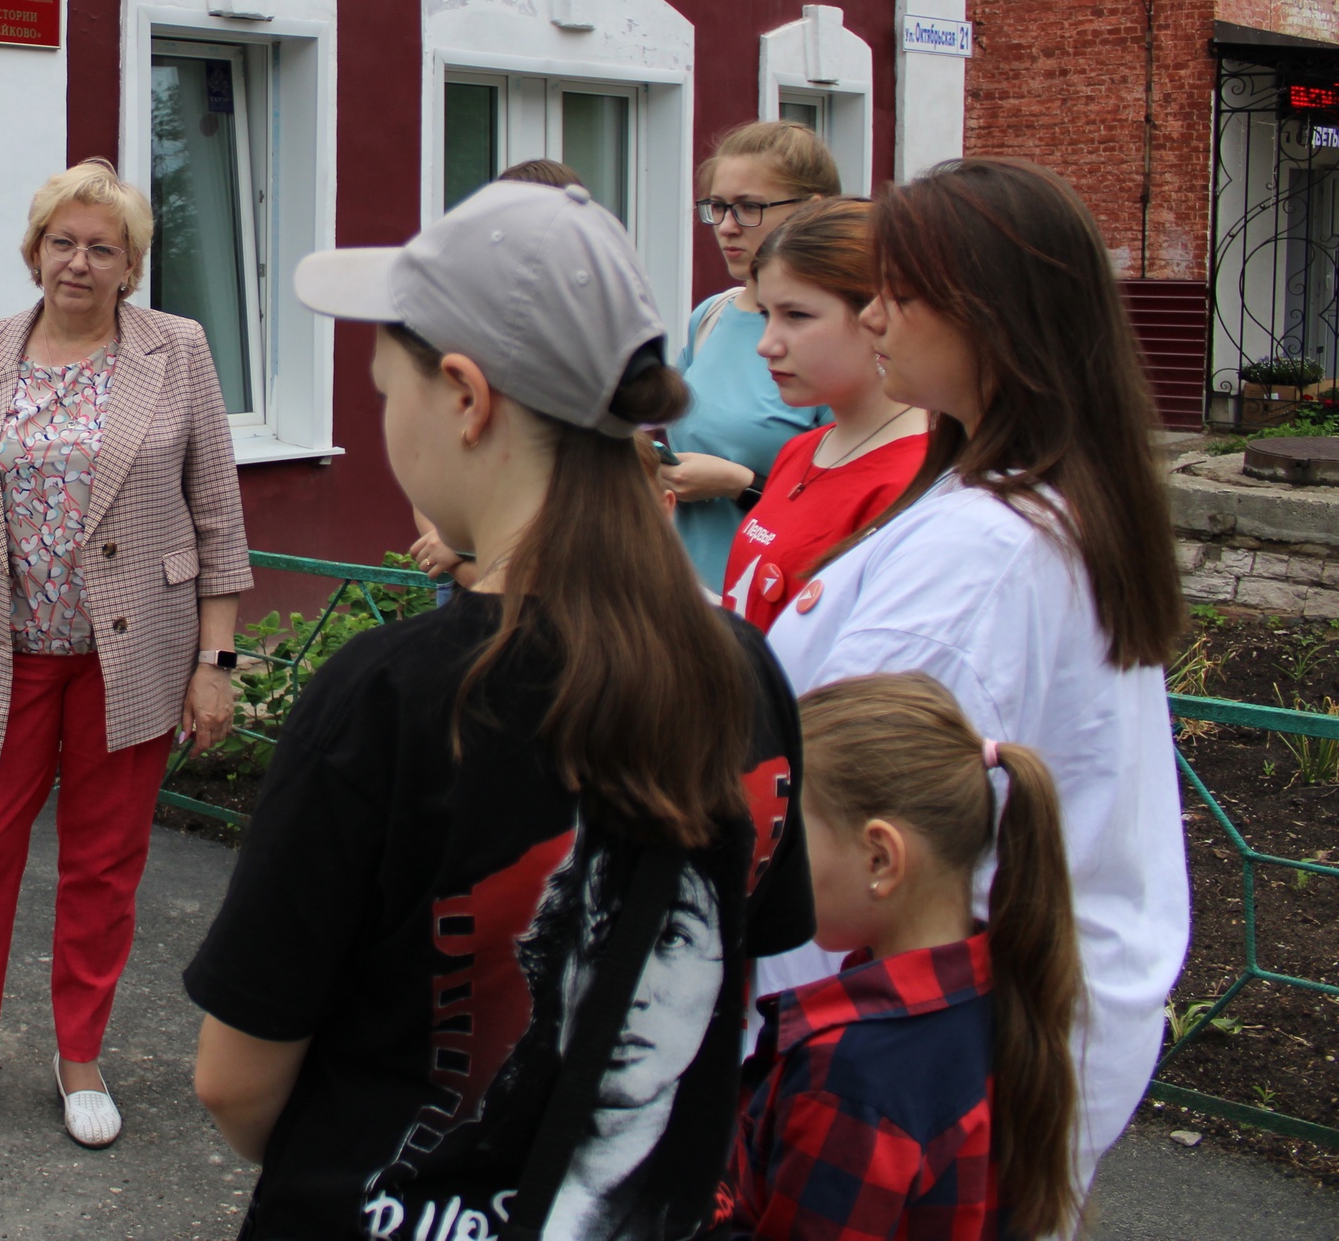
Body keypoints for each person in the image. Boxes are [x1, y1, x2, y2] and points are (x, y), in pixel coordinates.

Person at [183, 180, 813, 1241]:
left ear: (466, 398)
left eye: (387, 389)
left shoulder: (389, 694)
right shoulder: (742, 669)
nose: (385, 421)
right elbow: (755, 963)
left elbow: (235, 1085)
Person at [762, 157, 1186, 1174]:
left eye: (898, 296)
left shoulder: (979, 553)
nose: (872, 321)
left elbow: (850, 827)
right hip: (1008, 1033)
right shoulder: (1040, 502)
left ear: (992, 315)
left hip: (917, 1060)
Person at [0, 158, 249, 1148]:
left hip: (130, 658)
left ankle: (78, 1052)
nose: (77, 262)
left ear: (131, 266)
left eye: (101, 248)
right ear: (33, 250)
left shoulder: (177, 351)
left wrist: (215, 664)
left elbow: (217, 513)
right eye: (61, 241)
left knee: (104, 862)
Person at [721, 673, 1083, 1241]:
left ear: (880, 859)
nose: (772, 864)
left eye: (789, 842)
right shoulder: (1000, 990)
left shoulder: (849, 1076)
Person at [719, 200, 926, 631]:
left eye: (796, 315)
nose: (767, 344)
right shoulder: (802, 449)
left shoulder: (914, 480)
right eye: (765, 315)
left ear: (877, 314)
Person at [660, 122, 841, 583]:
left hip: (776, 609)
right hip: (692, 601)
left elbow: (846, 513)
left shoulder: (844, 337)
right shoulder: (712, 315)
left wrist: (740, 485)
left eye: (749, 208)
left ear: (811, 211)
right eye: (717, 207)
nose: (726, 226)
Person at [410, 160, 583, 596]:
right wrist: (458, 553)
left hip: (555, 590)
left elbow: (585, 492)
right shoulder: (454, 327)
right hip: (468, 586)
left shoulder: (590, 343)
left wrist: (470, 559)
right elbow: (424, 462)